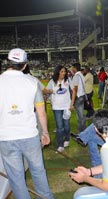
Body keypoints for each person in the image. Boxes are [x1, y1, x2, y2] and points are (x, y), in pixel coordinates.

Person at [0, 48, 54, 199]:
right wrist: (45, 132)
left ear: (7, 62)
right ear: (24, 65)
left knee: (16, 177)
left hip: (5, 136)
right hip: (29, 135)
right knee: (38, 170)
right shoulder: (32, 82)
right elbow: (41, 112)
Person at [46, 65, 72, 152]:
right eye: (62, 72)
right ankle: (60, 144)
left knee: (67, 126)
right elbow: (46, 91)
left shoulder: (68, 80)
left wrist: (71, 104)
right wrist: (49, 92)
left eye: (65, 72)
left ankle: (67, 139)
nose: (64, 73)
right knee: (59, 127)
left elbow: (73, 91)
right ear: (57, 72)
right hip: (56, 107)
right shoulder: (52, 82)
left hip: (66, 107)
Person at [70, 63, 86, 132]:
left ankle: (81, 130)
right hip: (82, 96)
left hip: (78, 97)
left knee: (80, 116)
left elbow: (75, 89)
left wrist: (72, 101)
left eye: (72, 67)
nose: (71, 69)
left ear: (75, 68)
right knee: (81, 114)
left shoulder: (76, 76)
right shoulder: (81, 75)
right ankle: (83, 129)